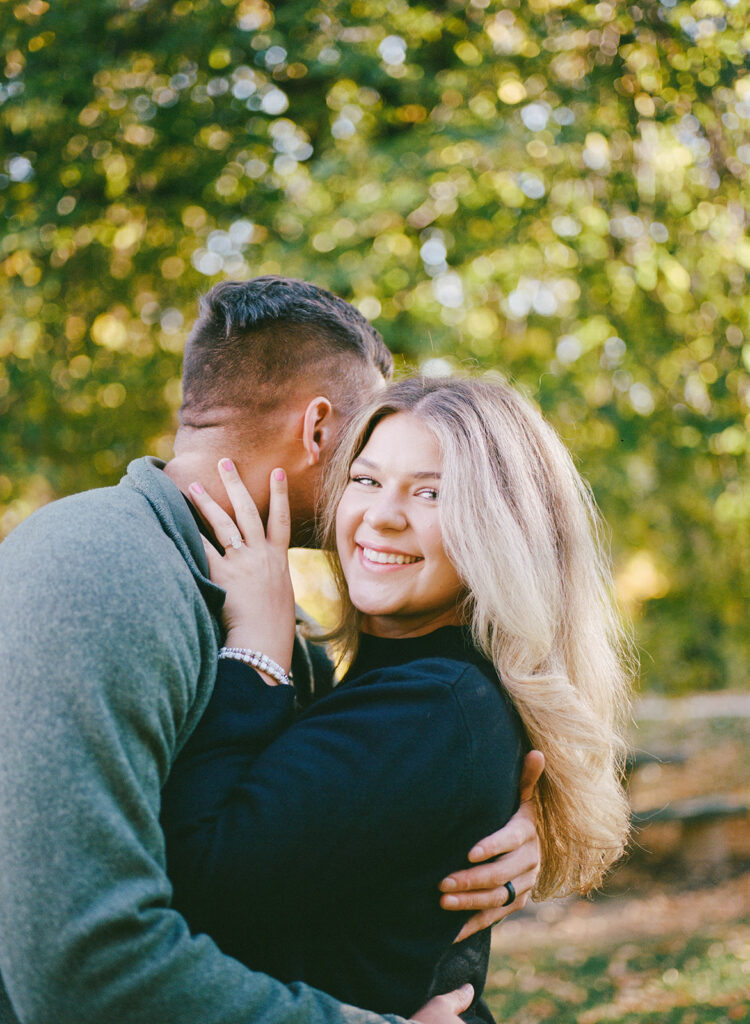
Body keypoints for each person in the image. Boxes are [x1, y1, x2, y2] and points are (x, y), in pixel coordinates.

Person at [0, 279, 541, 1024]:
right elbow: (81, 968)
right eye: (365, 459)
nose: (378, 510)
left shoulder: (276, 626)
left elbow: (317, 823)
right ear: (319, 430)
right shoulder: (95, 571)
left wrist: (473, 835)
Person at [160, 375, 633, 1022]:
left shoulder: (433, 707)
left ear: (501, 529)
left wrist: (258, 654)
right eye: (366, 479)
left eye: (432, 492)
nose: (382, 514)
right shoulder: (420, 690)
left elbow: (199, 885)